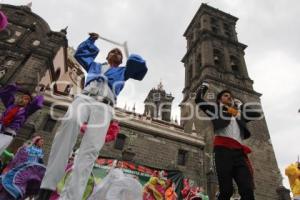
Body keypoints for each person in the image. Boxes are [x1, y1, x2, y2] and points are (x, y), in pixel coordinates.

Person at [38, 32, 148, 200]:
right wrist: (91, 40)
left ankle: (71, 197)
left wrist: (129, 55)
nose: (116, 53)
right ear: (107, 55)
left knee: (90, 150)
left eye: (119, 53)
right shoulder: (95, 66)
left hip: (104, 106)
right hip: (85, 98)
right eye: (113, 51)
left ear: (122, 59)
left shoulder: (124, 72)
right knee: (70, 123)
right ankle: (47, 187)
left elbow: (139, 67)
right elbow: (81, 54)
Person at [195, 83, 262, 200]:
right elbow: (199, 100)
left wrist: (240, 105)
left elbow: (256, 114)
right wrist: (204, 87)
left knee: (247, 189)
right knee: (226, 190)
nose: (229, 97)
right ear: (219, 99)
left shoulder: (239, 114)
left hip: (240, 154)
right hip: (223, 151)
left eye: (230, 96)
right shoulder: (216, 110)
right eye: (226, 95)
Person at [0, 83, 44, 155]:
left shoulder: (26, 111)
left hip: (8, 135)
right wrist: (14, 86)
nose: (24, 99)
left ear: (29, 102)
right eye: (23, 97)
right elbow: (5, 94)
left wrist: (40, 95)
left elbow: (37, 105)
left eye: (27, 99)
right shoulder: (11, 105)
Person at [0, 136, 46, 200]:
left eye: (43, 142)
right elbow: (20, 156)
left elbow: (39, 161)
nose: (42, 143)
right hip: (23, 167)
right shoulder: (28, 148)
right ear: (36, 141)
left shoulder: (41, 151)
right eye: (41, 141)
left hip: (32, 170)